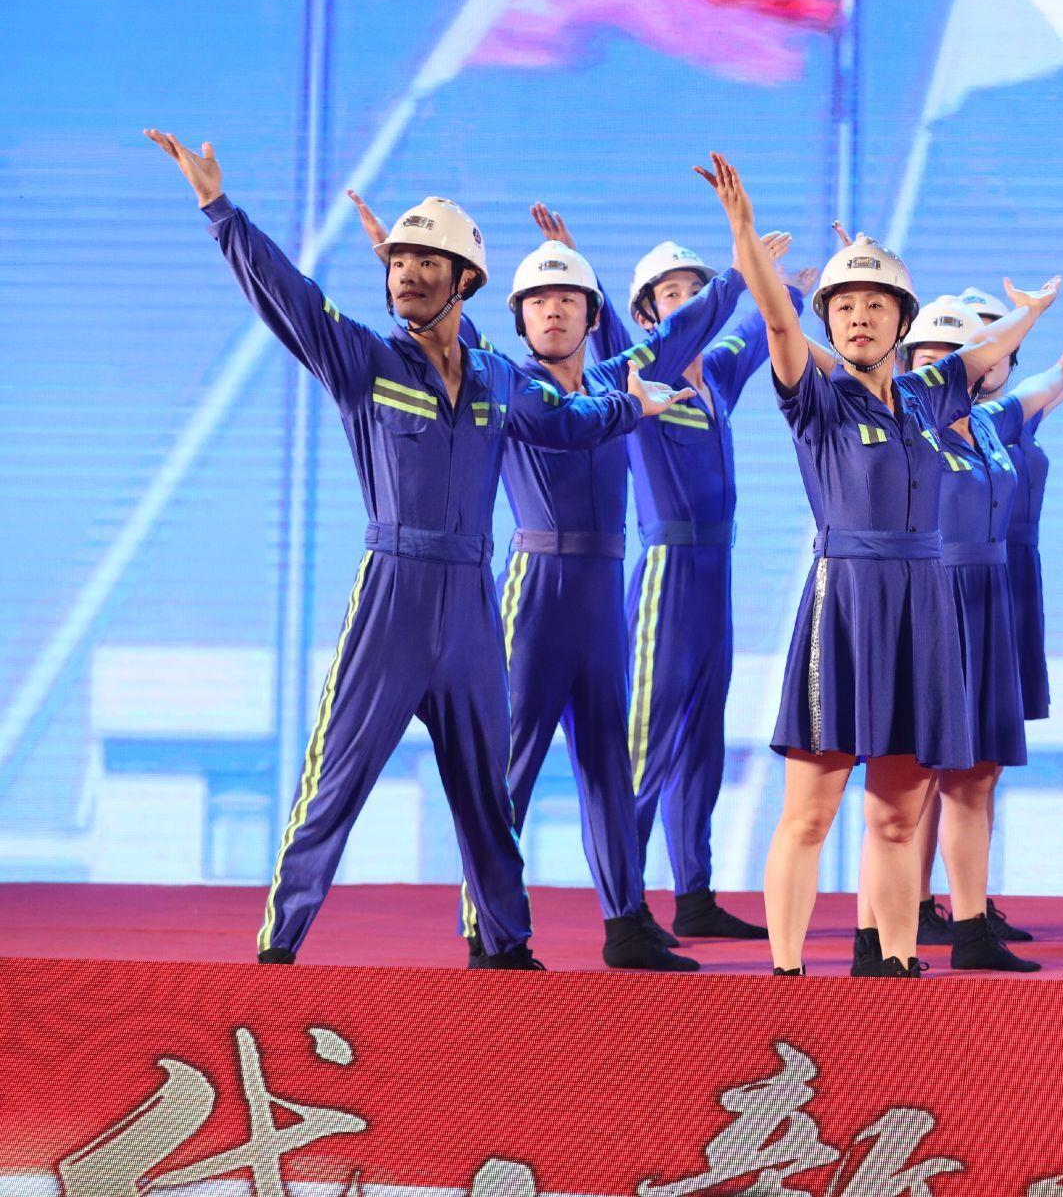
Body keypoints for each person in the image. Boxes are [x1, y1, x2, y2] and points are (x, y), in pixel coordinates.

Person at [146, 131, 692, 968]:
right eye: (398, 262)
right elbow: (288, 297)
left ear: (465, 280)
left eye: (426, 262)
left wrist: (634, 408)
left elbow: (568, 422)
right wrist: (221, 211)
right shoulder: (364, 362)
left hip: (471, 602)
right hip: (393, 598)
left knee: (486, 794)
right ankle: (278, 950)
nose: (406, 274)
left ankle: (504, 947)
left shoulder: (499, 379)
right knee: (336, 781)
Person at [694, 154, 1057, 977]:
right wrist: (743, 235)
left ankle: (892, 965)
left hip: (924, 608)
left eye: (876, 304)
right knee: (810, 814)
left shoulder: (930, 396)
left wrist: (1030, 314)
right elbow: (778, 325)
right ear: (828, 321)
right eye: (845, 306)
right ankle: (787, 975)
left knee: (897, 816)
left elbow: (986, 350)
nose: (859, 317)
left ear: (902, 321)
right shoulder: (816, 399)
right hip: (845, 606)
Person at [558, 213, 794, 942]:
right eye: (672, 294)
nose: (689, 302)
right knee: (645, 741)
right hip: (666, 573)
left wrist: (788, 286)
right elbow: (599, 329)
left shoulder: (716, 375)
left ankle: (693, 896)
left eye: (697, 289)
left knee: (701, 743)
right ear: (647, 315)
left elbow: (760, 325)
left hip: (716, 578)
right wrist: (575, 266)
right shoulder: (640, 372)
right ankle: (624, 908)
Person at [901, 297, 1063, 971]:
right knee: (916, 776)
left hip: (993, 604)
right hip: (937, 605)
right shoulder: (905, 427)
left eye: (954, 360)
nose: (940, 372)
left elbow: (1034, 392)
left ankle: (971, 929)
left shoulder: (990, 424)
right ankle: (895, 925)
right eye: (926, 361)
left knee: (978, 773)